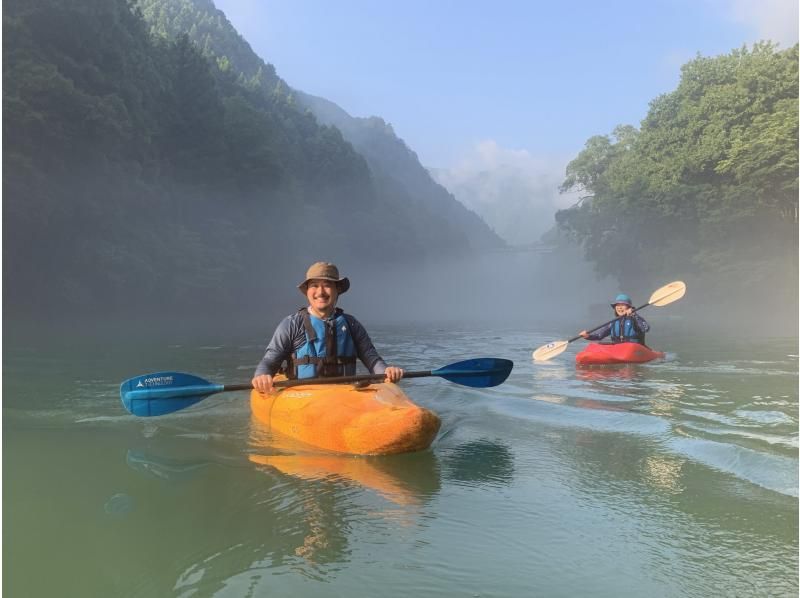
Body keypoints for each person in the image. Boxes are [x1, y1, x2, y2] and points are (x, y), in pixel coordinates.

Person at [252, 262, 404, 393]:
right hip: (304, 396)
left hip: (344, 393)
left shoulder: (351, 325)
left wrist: (386, 372)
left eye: (327, 285)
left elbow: (372, 359)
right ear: (307, 291)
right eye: (314, 286)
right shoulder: (291, 324)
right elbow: (270, 361)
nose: (320, 292)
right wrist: (262, 375)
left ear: (337, 289)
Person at [579, 293, 650, 344]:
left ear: (629, 307)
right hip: (617, 348)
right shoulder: (613, 322)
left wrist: (634, 315)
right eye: (617, 305)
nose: (619, 307)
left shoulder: (635, 319)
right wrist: (588, 336)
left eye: (622, 305)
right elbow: (599, 335)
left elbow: (646, 328)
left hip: (635, 349)